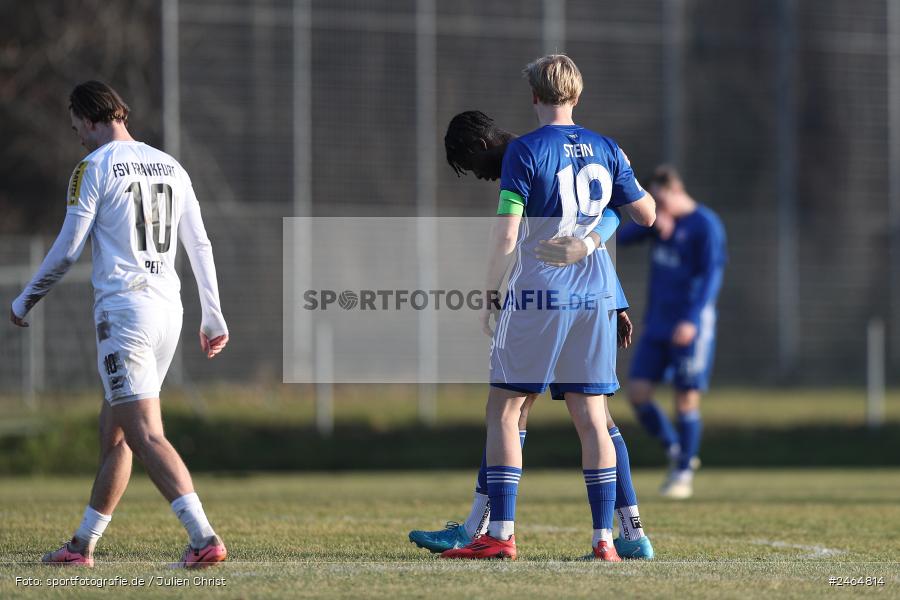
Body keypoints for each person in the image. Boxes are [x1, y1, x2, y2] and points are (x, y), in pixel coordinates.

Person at [408, 111, 654, 560]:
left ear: (482, 145)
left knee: (509, 407)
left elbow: (513, 235)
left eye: (472, 164)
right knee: (591, 418)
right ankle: (628, 532)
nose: (480, 177)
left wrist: (490, 294)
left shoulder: (523, 157)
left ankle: (487, 530)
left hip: (543, 301)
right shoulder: (593, 146)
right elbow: (609, 212)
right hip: (591, 297)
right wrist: (613, 299)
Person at [9, 81, 230, 567]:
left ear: (89, 119)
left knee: (145, 433)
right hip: (168, 312)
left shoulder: (92, 166)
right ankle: (82, 545)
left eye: (77, 130)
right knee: (117, 430)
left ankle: (203, 538)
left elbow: (69, 249)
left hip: (125, 314)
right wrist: (212, 312)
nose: (78, 139)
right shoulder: (172, 165)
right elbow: (200, 244)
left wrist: (25, 300)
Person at [618, 165, 727, 500]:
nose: (659, 208)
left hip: (689, 325)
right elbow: (619, 238)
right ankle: (677, 448)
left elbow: (712, 276)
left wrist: (692, 319)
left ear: (676, 191)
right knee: (637, 392)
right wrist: (651, 225)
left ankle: (682, 473)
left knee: (685, 397)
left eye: (662, 201)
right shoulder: (659, 223)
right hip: (657, 323)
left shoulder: (704, 225)